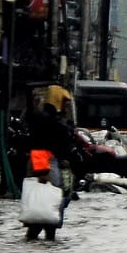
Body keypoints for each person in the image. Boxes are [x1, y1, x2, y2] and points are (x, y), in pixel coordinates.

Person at [24, 103, 77, 241]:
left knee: (47, 202)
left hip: (46, 165)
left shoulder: (41, 127)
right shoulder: (53, 127)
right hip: (47, 165)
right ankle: (44, 234)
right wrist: (43, 172)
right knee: (51, 202)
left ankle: (40, 233)